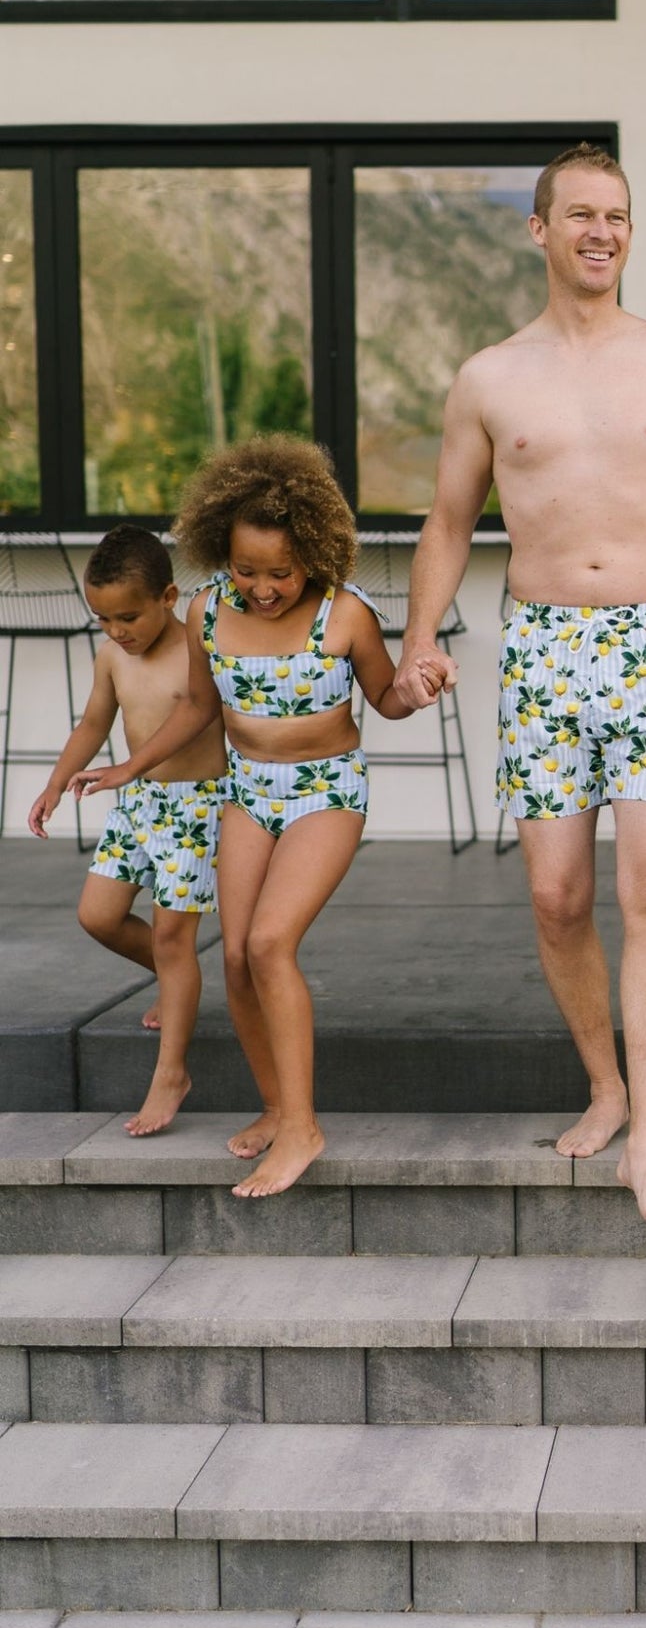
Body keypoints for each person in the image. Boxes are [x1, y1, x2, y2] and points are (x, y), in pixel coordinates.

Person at [393, 141, 646, 1233]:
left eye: (615, 215)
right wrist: (419, 633)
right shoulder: (490, 376)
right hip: (541, 650)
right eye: (579, 214)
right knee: (557, 897)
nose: (600, 232)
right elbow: (445, 522)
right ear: (539, 230)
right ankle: (605, 1083)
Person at [70, 437, 413, 1196]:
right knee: (230, 958)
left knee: (267, 942)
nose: (262, 588)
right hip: (247, 789)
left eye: (280, 571)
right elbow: (197, 704)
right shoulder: (206, 609)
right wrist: (130, 764)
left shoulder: (345, 614)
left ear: (315, 555)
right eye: (246, 569)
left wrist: (419, 688)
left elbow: (387, 699)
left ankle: (303, 1127)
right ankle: (275, 1107)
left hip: (325, 789)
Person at [28, 525, 227, 1136]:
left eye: (128, 616)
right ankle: (176, 981)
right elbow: (93, 722)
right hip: (135, 802)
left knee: (173, 937)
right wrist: (56, 782)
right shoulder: (113, 654)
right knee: (99, 916)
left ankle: (172, 1073)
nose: (117, 630)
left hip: (197, 806)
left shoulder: (198, 643)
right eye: (103, 618)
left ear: (168, 597)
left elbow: (205, 715)